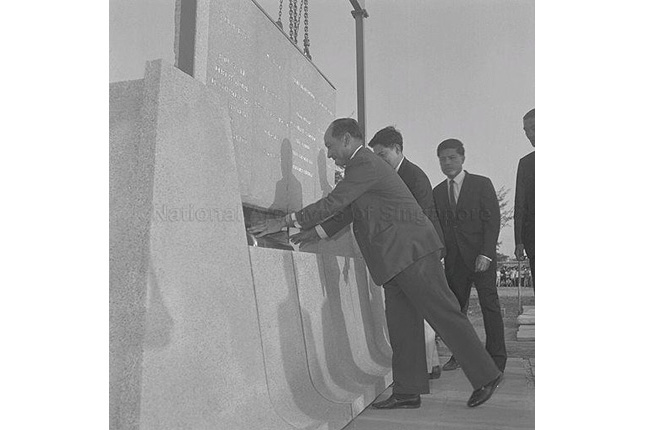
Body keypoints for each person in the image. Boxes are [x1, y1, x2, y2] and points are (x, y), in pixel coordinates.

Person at [249, 118, 503, 409]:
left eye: (330, 146)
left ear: (346, 140)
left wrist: (284, 221)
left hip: (411, 253)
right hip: (393, 260)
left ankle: (486, 375)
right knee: (401, 325)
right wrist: (315, 232)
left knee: (444, 314)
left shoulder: (364, 164)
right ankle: (408, 390)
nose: (330, 154)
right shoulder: (361, 169)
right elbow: (349, 211)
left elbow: (335, 202)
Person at [367, 125, 444, 380]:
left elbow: (417, 220)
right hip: (408, 252)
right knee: (419, 312)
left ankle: (423, 368)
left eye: (382, 155)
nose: (379, 161)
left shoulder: (414, 177)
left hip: (419, 251)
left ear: (398, 149)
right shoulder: (392, 176)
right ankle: (429, 365)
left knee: (422, 312)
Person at [433, 139, 507, 373]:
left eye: (452, 157)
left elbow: (492, 221)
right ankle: (460, 355)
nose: (447, 163)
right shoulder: (437, 192)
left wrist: (486, 253)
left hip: (481, 259)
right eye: (442, 159)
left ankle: (497, 358)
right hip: (454, 261)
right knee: (456, 312)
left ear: (463, 158)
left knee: (490, 307)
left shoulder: (481, 184)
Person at [514, 108, 535, 286]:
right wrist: (518, 241)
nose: (529, 134)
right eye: (526, 130)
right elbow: (519, 204)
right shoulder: (526, 163)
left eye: (534, 128)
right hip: (534, 238)